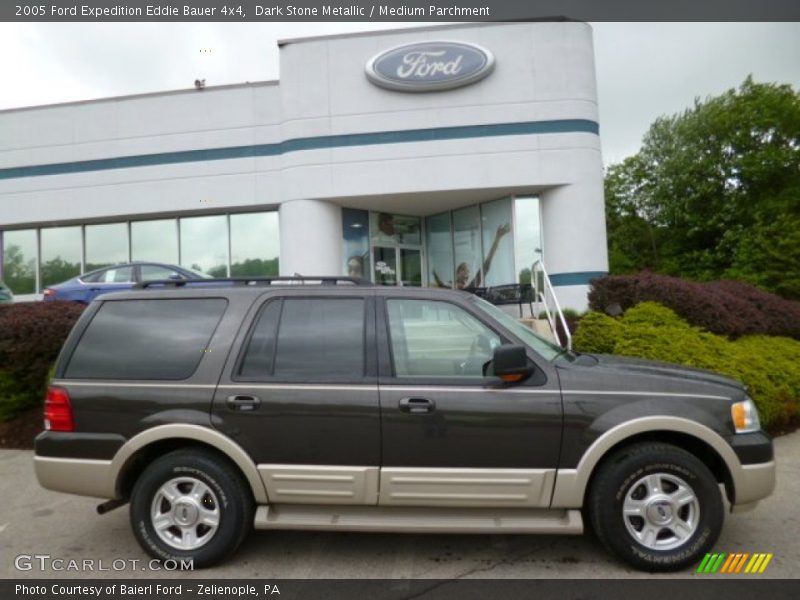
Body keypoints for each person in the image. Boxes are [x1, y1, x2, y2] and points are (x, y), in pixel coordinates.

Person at [433, 223, 511, 289]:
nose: (466, 273)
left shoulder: (470, 289)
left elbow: (486, 266)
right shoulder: (451, 288)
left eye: (468, 272)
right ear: (457, 273)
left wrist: (498, 238)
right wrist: (433, 272)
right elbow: (441, 284)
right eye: (464, 270)